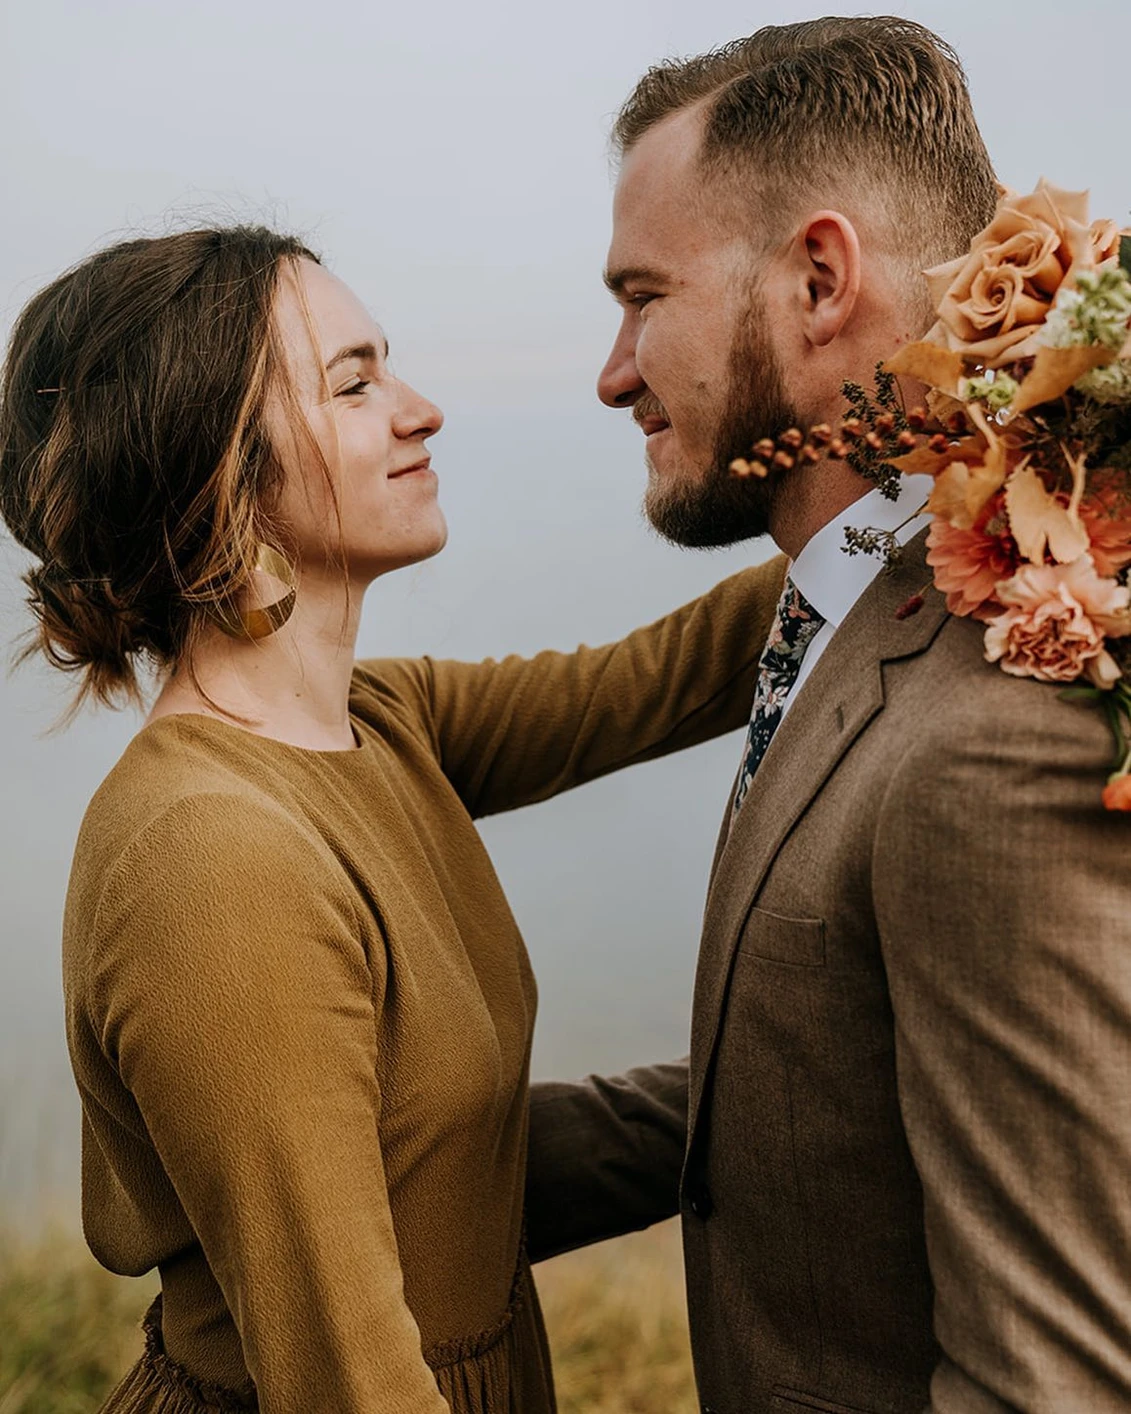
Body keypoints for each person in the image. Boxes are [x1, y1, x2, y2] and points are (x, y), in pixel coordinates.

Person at [0, 226, 788, 1412]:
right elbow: (349, 1379)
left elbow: (678, 672)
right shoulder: (210, 862)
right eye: (354, 383)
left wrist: (968, 473)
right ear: (218, 466)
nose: (419, 410)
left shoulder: (383, 720)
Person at [526, 17, 1131, 1413]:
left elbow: (1051, 1378)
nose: (613, 372)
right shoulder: (862, 601)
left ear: (815, 278)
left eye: (641, 295)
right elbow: (839, 1063)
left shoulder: (998, 724)